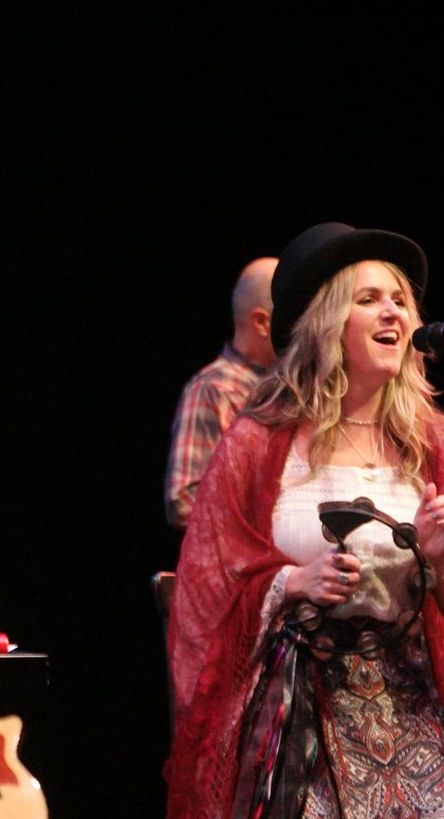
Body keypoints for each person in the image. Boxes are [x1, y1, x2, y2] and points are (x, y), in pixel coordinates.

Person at [167, 223, 444, 819]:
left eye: (399, 300)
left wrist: (439, 557)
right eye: (368, 299)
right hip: (298, 708)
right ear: (327, 323)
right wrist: (292, 582)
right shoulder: (260, 442)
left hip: (414, 704)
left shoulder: (428, 443)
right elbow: (204, 585)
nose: (392, 312)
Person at [165, 256, 278, 528]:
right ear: (262, 323)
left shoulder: (295, 389)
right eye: (293, 314)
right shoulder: (214, 388)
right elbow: (184, 501)